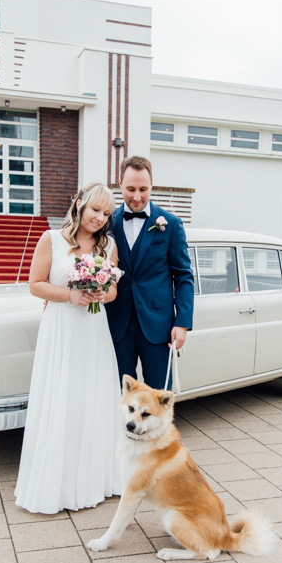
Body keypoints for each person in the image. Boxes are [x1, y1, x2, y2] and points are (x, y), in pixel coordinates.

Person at [15, 182, 122, 514]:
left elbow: (114, 290)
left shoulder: (108, 245)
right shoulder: (51, 238)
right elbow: (35, 285)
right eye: (95, 210)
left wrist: (103, 294)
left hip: (93, 328)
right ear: (79, 204)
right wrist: (71, 295)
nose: (99, 218)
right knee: (62, 396)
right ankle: (57, 484)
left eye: (105, 214)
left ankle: (95, 479)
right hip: (61, 328)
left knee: (92, 397)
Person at [106, 155, 194, 390]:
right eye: (131, 189)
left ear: (152, 184)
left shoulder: (171, 224)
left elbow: (183, 276)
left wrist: (183, 322)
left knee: (158, 397)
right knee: (119, 395)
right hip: (116, 324)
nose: (137, 197)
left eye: (143, 189)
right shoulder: (107, 223)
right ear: (120, 184)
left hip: (158, 326)